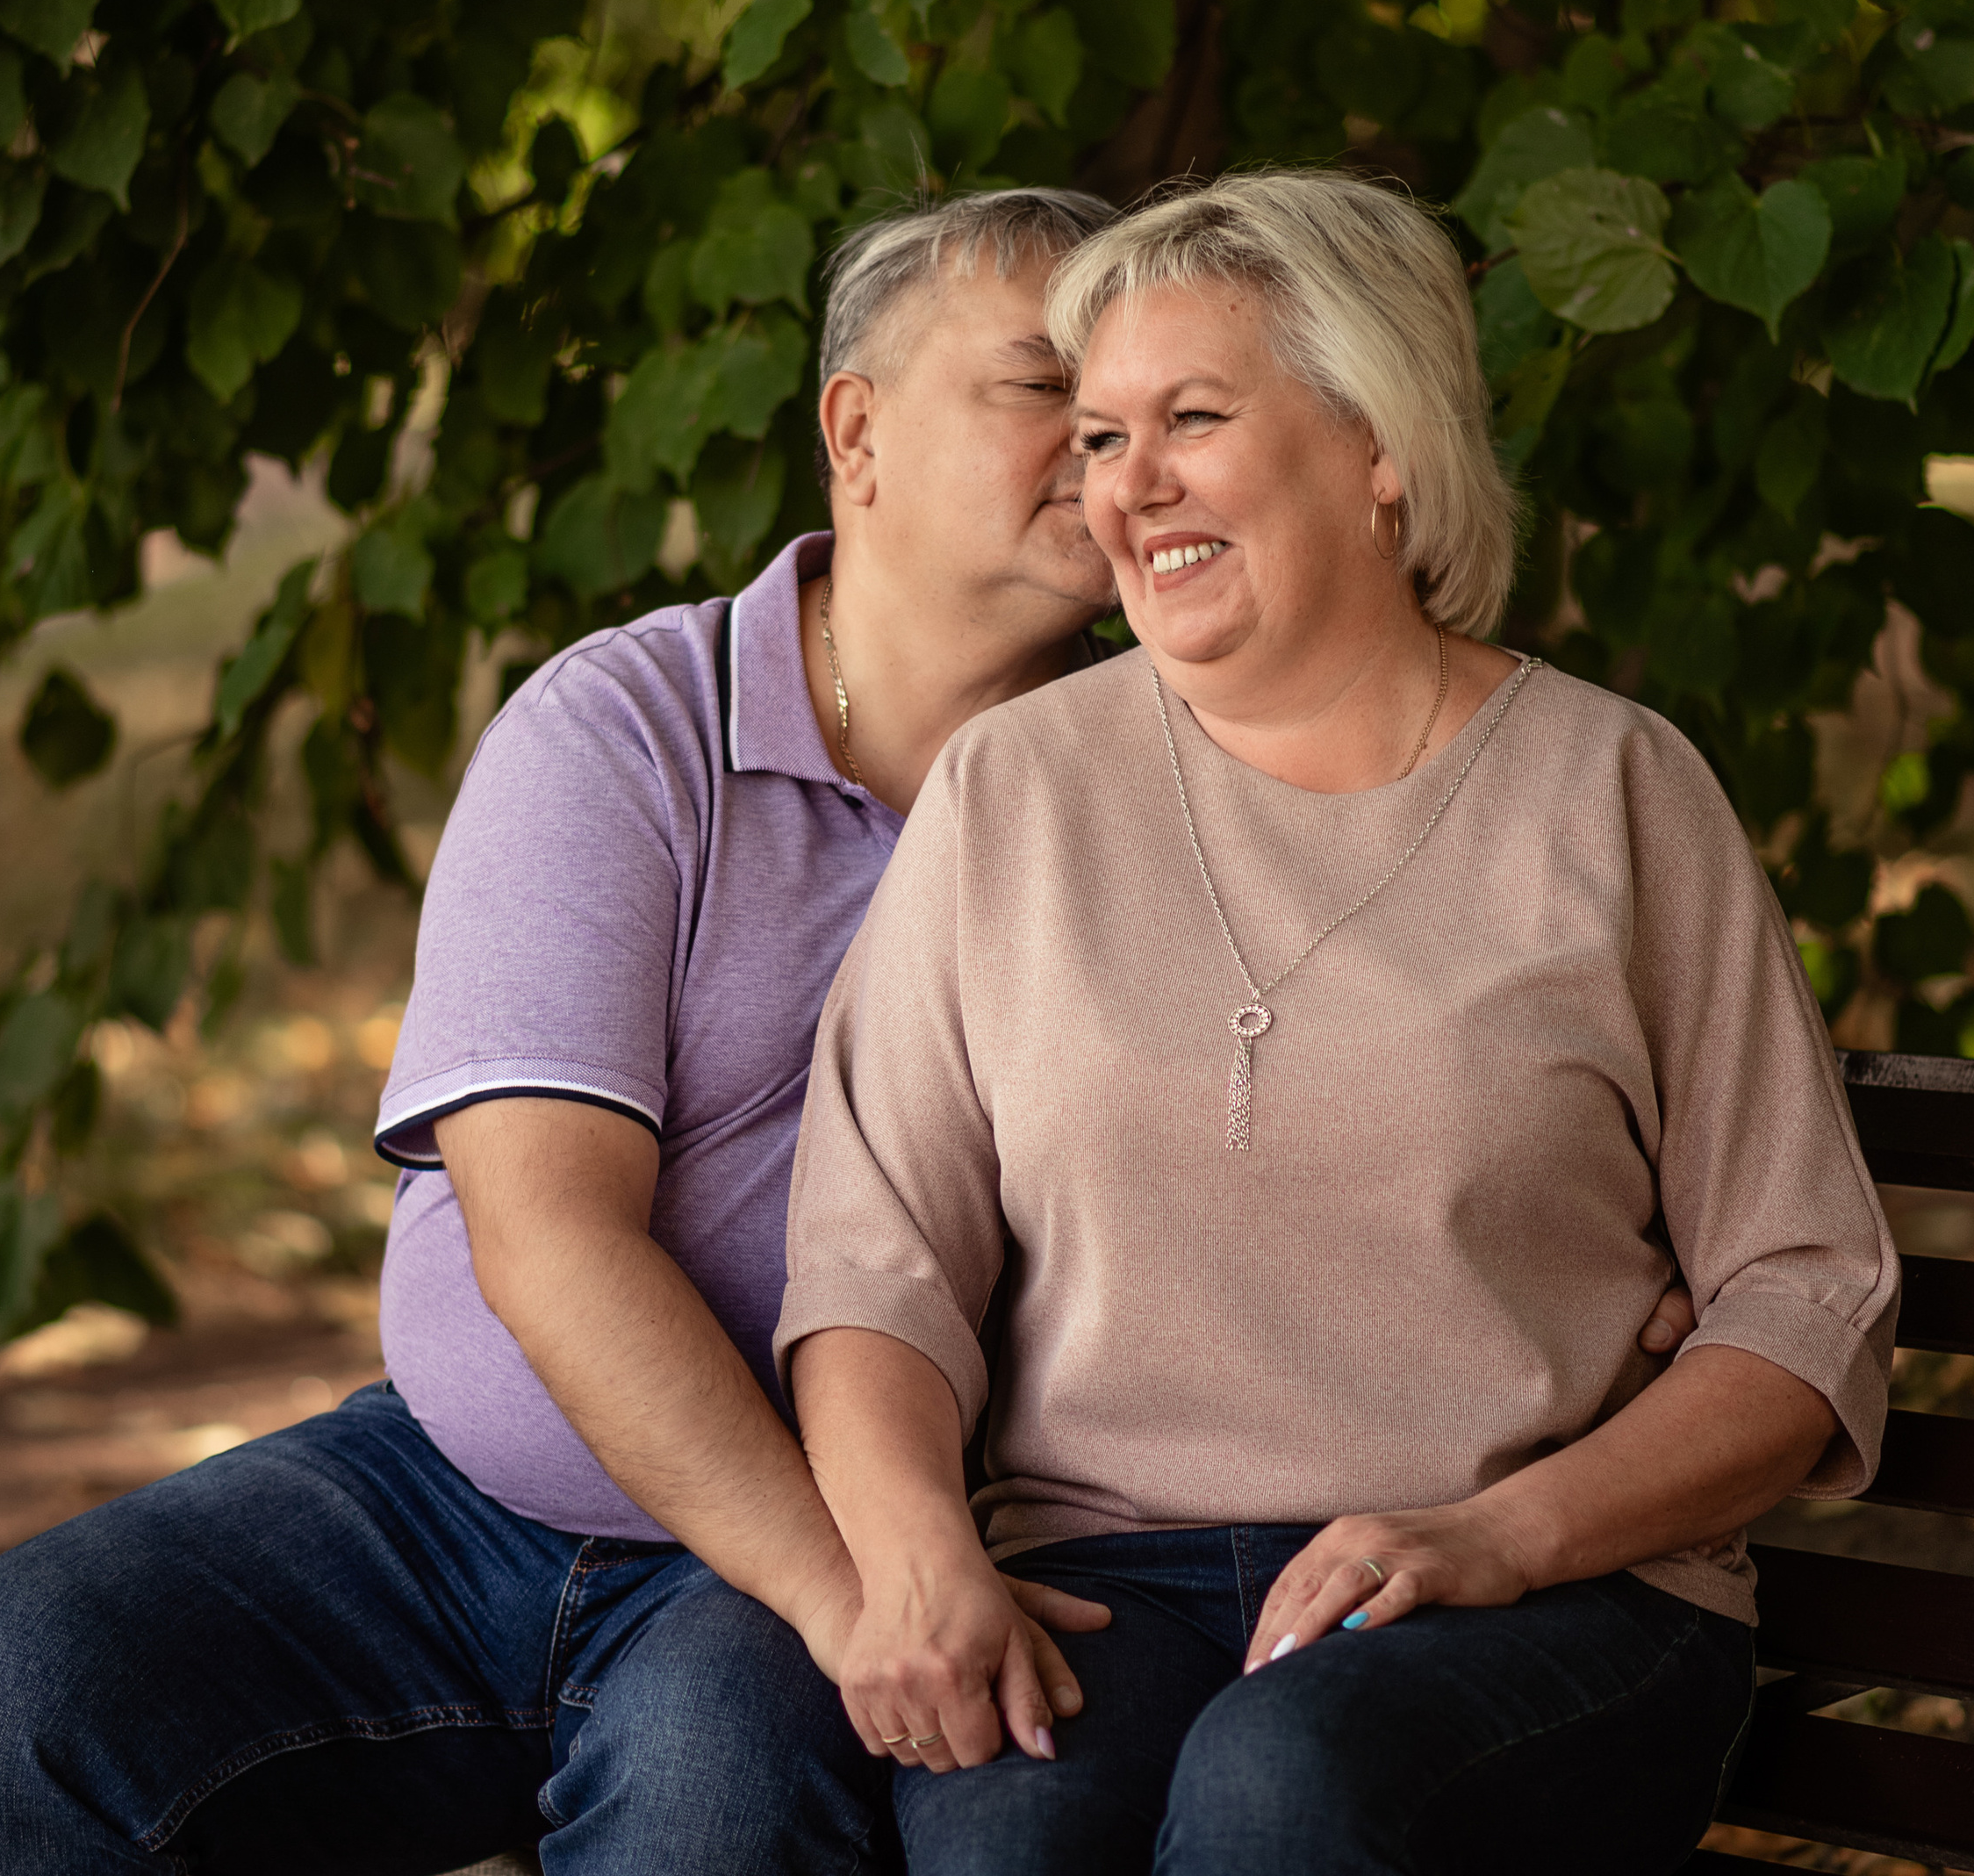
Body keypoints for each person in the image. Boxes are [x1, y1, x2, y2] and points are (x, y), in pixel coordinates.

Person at [0, 183, 1695, 1876]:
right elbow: (541, 1229)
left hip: (877, 1530)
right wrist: (859, 1590)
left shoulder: (1181, 765)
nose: (1107, 449)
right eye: (1046, 392)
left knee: (715, 1796)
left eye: (1143, 407)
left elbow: (1391, 1061)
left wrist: (1582, 1290)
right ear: (856, 432)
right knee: (19, 1681)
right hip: (468, 1500)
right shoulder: (626, 728)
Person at [780, 169, 1899, 1876]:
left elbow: (1802, 1291)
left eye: (1190, 417)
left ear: (1376, 442)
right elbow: (872, 1263)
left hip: (1551, 1591)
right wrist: (918, 1545)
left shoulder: (1609, 793)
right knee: (1003, 1826)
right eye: (1093, 434)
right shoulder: (1013, 789)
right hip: (1119, 1574)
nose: (1123, 485)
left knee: (1283, 1779)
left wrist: (1497, 1531)